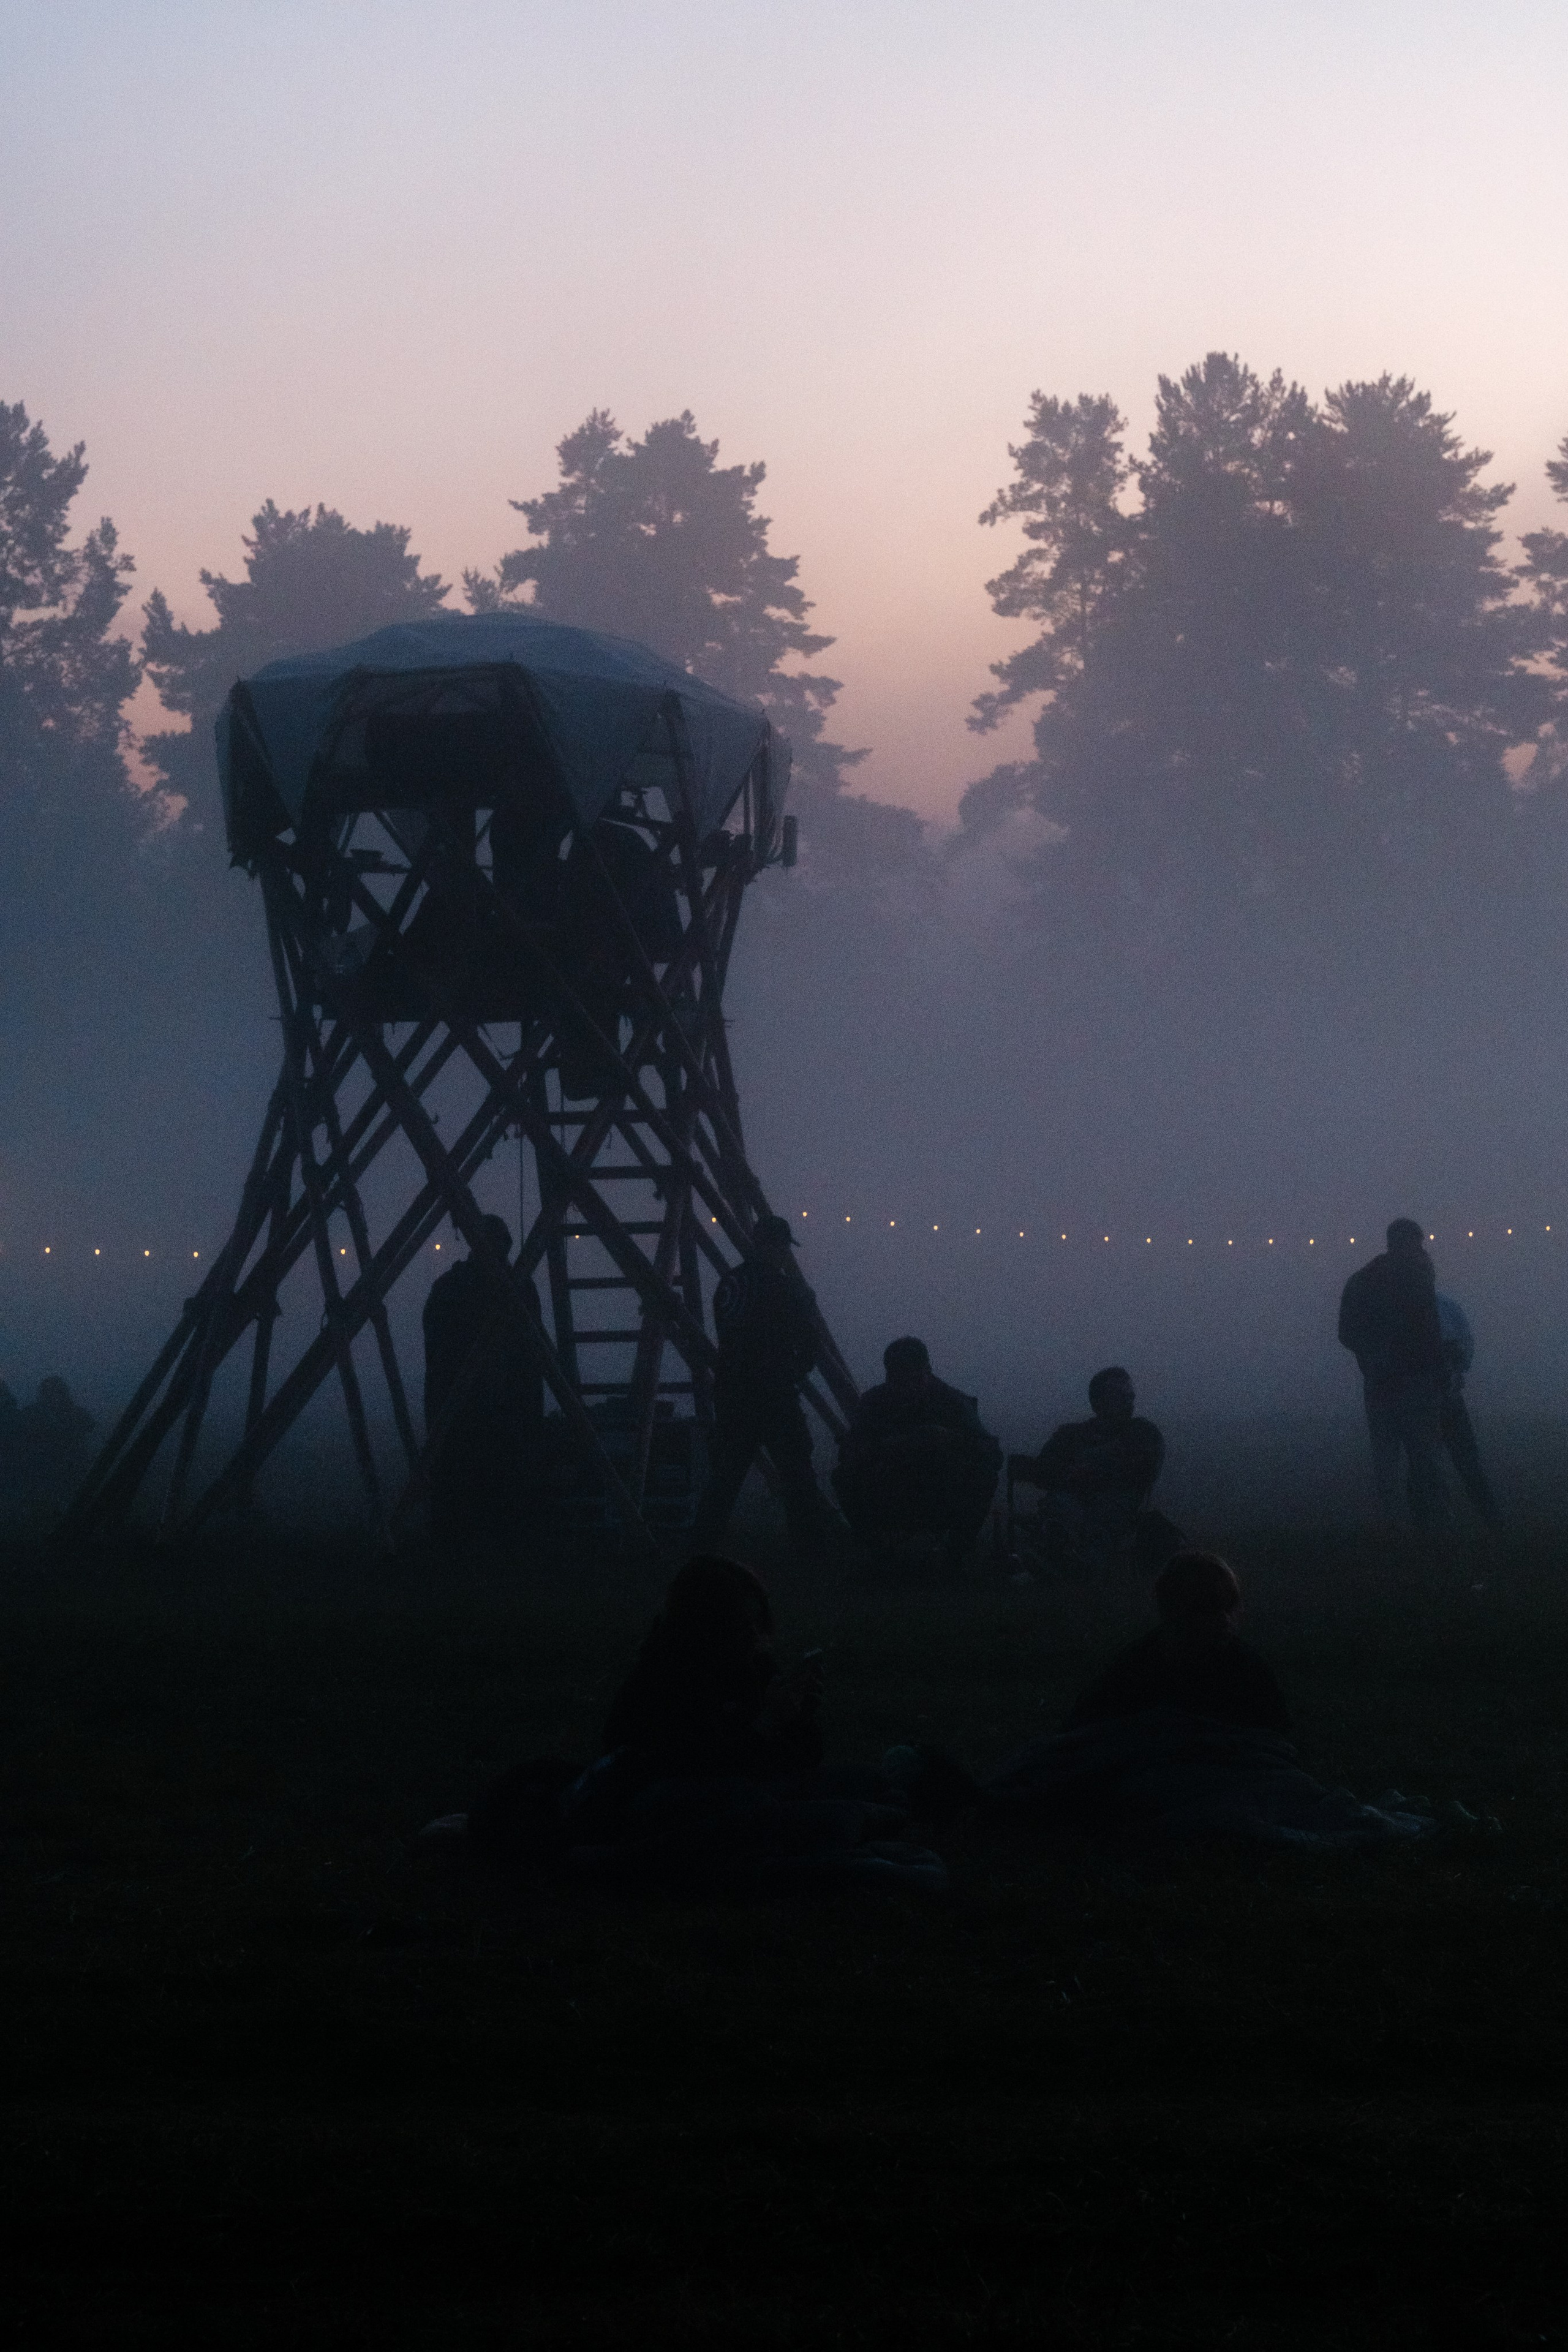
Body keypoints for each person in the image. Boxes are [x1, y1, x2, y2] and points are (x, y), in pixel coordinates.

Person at [690, 1215, 836, 1559]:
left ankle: (703, 1551)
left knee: (725, 1477)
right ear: (778, 1246)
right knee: (797, 1475)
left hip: (735, 1394)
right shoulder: (791, 1290)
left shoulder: (731, 1284)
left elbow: (728, 1336)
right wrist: (791, 1373)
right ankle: (810, 1550)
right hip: (775, 1395)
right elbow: (810, 1343)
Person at [421, 1213, 545, 1549]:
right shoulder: (511, 1289)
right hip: (481, 1402)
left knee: (474, 1478)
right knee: (480, 1478)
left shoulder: (451, 1287)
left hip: (478, 1402)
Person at [1067, 1550, 1291, 1733]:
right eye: (1209, 1607)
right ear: (1175, 1610)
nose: (1225, 1619)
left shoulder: (1249, 1670)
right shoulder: (1133, 1671)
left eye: (1229, 1607)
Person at [833, 1336, 1002, 1574]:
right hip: (890, 1488)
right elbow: (850, 1451)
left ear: (927, 1371)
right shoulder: (875, 1402)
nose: (905, 1386)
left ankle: (953, 1557)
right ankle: (881, 1556)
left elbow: (992, 1455)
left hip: (943, 1488)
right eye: (896, 1377)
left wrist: (949, 1440)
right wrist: (889, 1447)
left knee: (984, 1477)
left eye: (912, 1377)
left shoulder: (953, 1402)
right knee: (844, 1478)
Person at [1338, 1218, 1449, 1529]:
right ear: (1410, 1243)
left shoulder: (1362, 1280)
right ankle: (1434, 1527)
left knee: (1387, 1458)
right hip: (1416, 1381)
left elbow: (1345, 1331)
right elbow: (1430, 1333)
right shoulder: (1419, 1277)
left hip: (1381, 1382)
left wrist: (1372, 1355)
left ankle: (1394, 1528)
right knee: (1426, 1457)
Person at [1032, 1366, 1170, 1573]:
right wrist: (1070, 1475)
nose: (1129, 1399)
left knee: (1094, 1518)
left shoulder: (1143, 1434)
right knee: (1061, 1507)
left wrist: (1098, 1474)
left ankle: (1073, 1565)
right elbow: (1042, 1472)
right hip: (1069, 1501)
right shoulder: (1071, 1435)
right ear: (1099, 1399)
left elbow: (1146, 1470)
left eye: (1130, 1394)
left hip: (1116, 1506)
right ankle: (1059, 1558)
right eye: (1120, 1394)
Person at [1433, 1292, 1500, 1526]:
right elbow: (1465, 1344)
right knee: (1435, 1462)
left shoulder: (1446, 1306)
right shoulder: (1445, 1306)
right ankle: (1438, 1522)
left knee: (1460, 1459)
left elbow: (1465, 1345)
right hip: (1432, 1396)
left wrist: (1457, 1366)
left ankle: (1489, 1517)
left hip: (1444, 1396)